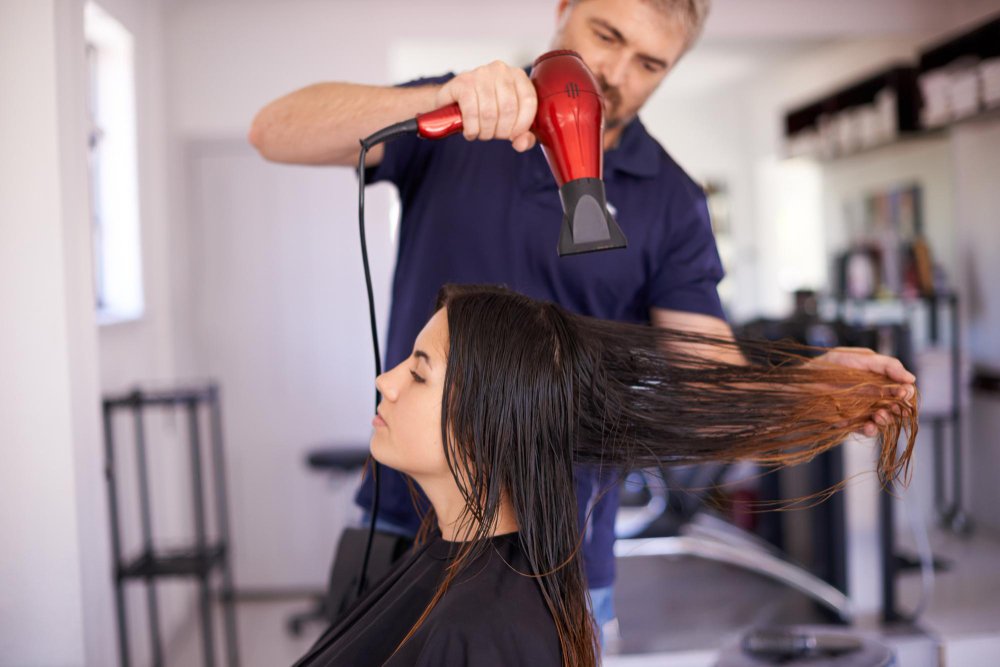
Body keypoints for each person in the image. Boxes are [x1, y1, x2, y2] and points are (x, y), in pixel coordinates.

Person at [249, 0, 917, 630]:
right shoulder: (455, 126)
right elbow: (273, 131)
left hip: (556, 560)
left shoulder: (671, 201)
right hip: (399, 529)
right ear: (563, 9)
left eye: (650, 64)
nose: (616, 75)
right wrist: (440, 98)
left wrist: (806, 385)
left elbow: (705, 379)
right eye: (606, 35)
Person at [292, 284, 918, 667]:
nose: (385, 380)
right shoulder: (449, 567)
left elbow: (705, 369)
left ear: (493, 418)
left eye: (419, 372)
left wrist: (795, 390)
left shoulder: (482, 630)